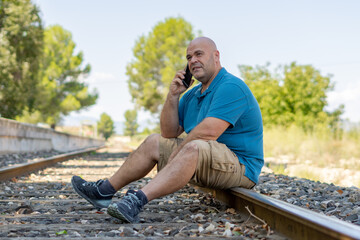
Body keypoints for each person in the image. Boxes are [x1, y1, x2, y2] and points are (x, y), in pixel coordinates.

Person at [71, 36, 264, 223]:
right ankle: (104, 191)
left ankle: (137, 200)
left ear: (216, 56)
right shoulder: (193, 94)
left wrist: (179, 152)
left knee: (193, 146)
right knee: (155, 141)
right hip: (210, 159)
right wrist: (173, 96)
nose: (193, 61)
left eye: (199, 54)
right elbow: (168, 133)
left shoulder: (231, 87)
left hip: (241, 167)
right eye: (189, 57)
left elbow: (209, 132)